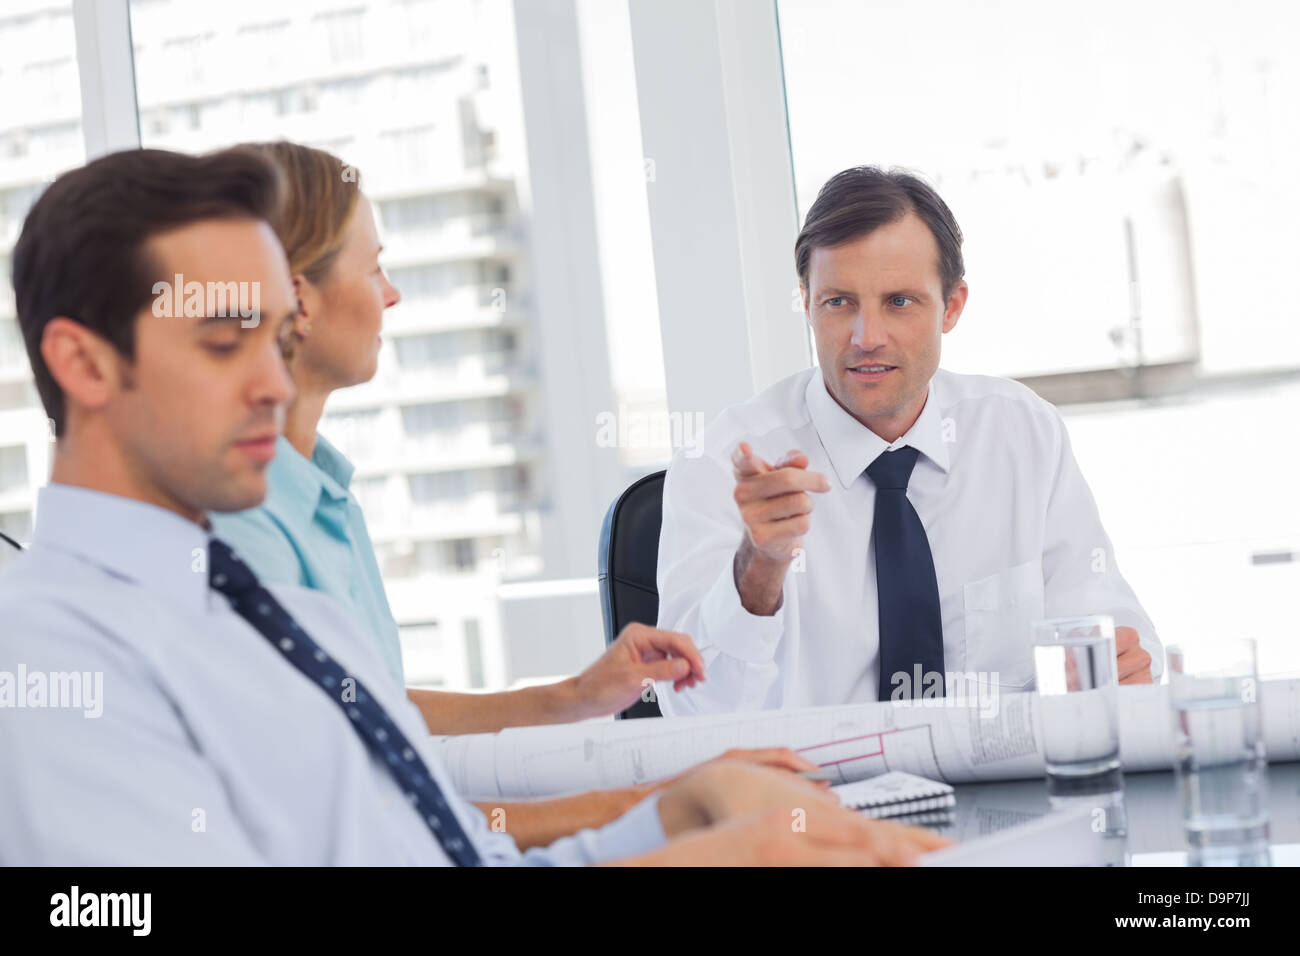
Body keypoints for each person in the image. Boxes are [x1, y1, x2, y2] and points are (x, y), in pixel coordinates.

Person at [0, 146, 949, 865]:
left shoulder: (291, 622)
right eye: (222, 343)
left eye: (275, 334)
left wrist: (678, 814)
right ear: (83, 363)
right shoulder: (50, 666)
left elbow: (455, 853)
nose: (268, 381)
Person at [209, 142, 702, 738]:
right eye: (372, 270)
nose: (390, 294)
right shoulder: (239, 520)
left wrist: (576, 695)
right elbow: (344, 765)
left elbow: (377, 707)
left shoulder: (325, 490)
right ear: (300, 299)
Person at [655, 166, 1162, 716]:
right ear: (805, 301)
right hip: (812, 794)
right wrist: (758, 567)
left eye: (898, 302)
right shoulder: (721, 464)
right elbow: (693, 712)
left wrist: (1118, 670)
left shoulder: (1021, 434)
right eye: (838, 302)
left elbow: (1111, 632)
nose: (866, 338)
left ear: (952, 307)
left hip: (1000, 785)